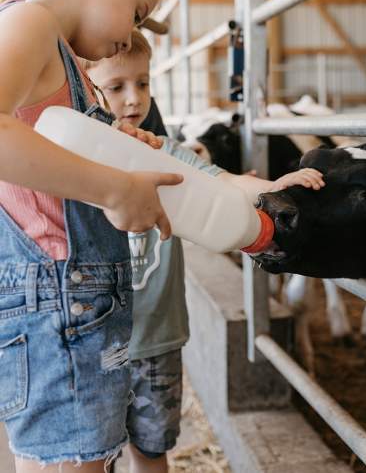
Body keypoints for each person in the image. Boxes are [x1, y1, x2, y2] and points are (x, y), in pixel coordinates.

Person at [84, 30, 324, 473]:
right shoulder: (75, 163)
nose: (134, 99)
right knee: (95, 455)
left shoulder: (165, 155)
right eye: (117, 87)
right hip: (94, 340)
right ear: (85, 83)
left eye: (144, 83)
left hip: (158, 338)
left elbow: (221, 179)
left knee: (153, 450)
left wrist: (271, 186)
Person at [0, 0, 186, 473]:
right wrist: (114, 187)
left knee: (81, 462)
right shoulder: (31, 23)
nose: (129, 36)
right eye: (136, 12)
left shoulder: (63, 59)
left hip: (72, 298)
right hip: (56, 295)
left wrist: (119, 147)